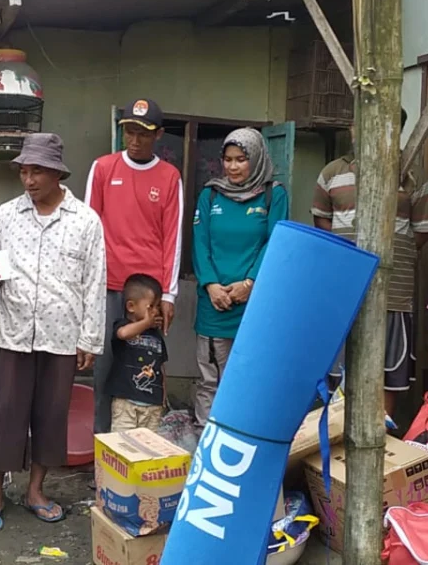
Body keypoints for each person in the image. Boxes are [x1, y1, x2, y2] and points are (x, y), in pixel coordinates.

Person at [0, 133, 105, 532]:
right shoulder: (6, 216)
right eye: (24, 171)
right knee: (7, 414)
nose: (28, 180)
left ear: (57, 173)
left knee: (50, 416)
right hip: (13, 331)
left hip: (62, 335)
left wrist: (90, 338)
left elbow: (95, 282)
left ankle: (36, 491)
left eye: (37, 172)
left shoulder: (85, 221)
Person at [313, 110, 428, 415]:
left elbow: (421, 234)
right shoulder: (331, 173)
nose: (363, 129)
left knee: (388, 373)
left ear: (398, 129)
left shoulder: (414, 176)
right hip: (343, 290)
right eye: (357, 123)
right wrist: (350, 256)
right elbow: (321, 223)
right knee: (338, 369)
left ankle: (384, 445)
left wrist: (387, 255)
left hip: (393, 292)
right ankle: (336, 445)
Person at [85, 98, 183, 434]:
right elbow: (89, 228)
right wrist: (88, 287)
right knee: (106, 374)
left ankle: (141, 453)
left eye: (143, 133)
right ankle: (104, 454)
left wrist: (168, 295)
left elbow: (173, 237)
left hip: (148, 295)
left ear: (159, 135)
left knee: (146, 374)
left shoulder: (170, 177)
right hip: (109, 286)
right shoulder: (102, 168)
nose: (135, 139)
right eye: (129, 131)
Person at [191, 128, 288, 432]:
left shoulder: (274, 194)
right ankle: (208, 445)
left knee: (251, 377)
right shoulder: (211, 194)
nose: (232, 167)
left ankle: (243, 440)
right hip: (214, 304)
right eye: (228, 159)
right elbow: (200, 243)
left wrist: (250, 283)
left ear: (256, 159)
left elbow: (276, 242)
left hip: (255, 303)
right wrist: (211, 285)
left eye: (241, 160)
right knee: (211, 380)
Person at [108, 274, 169, 433]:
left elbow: (160, 366)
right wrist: (145, 323)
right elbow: (123, 334)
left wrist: (162, 395)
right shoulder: (122, 325)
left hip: (152, 405)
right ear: (131, 306)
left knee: (148, 449)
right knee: (122, 446)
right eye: (152, 306)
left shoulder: (155, 335)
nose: (156, 311)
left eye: (158, 306)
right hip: (126, 403)